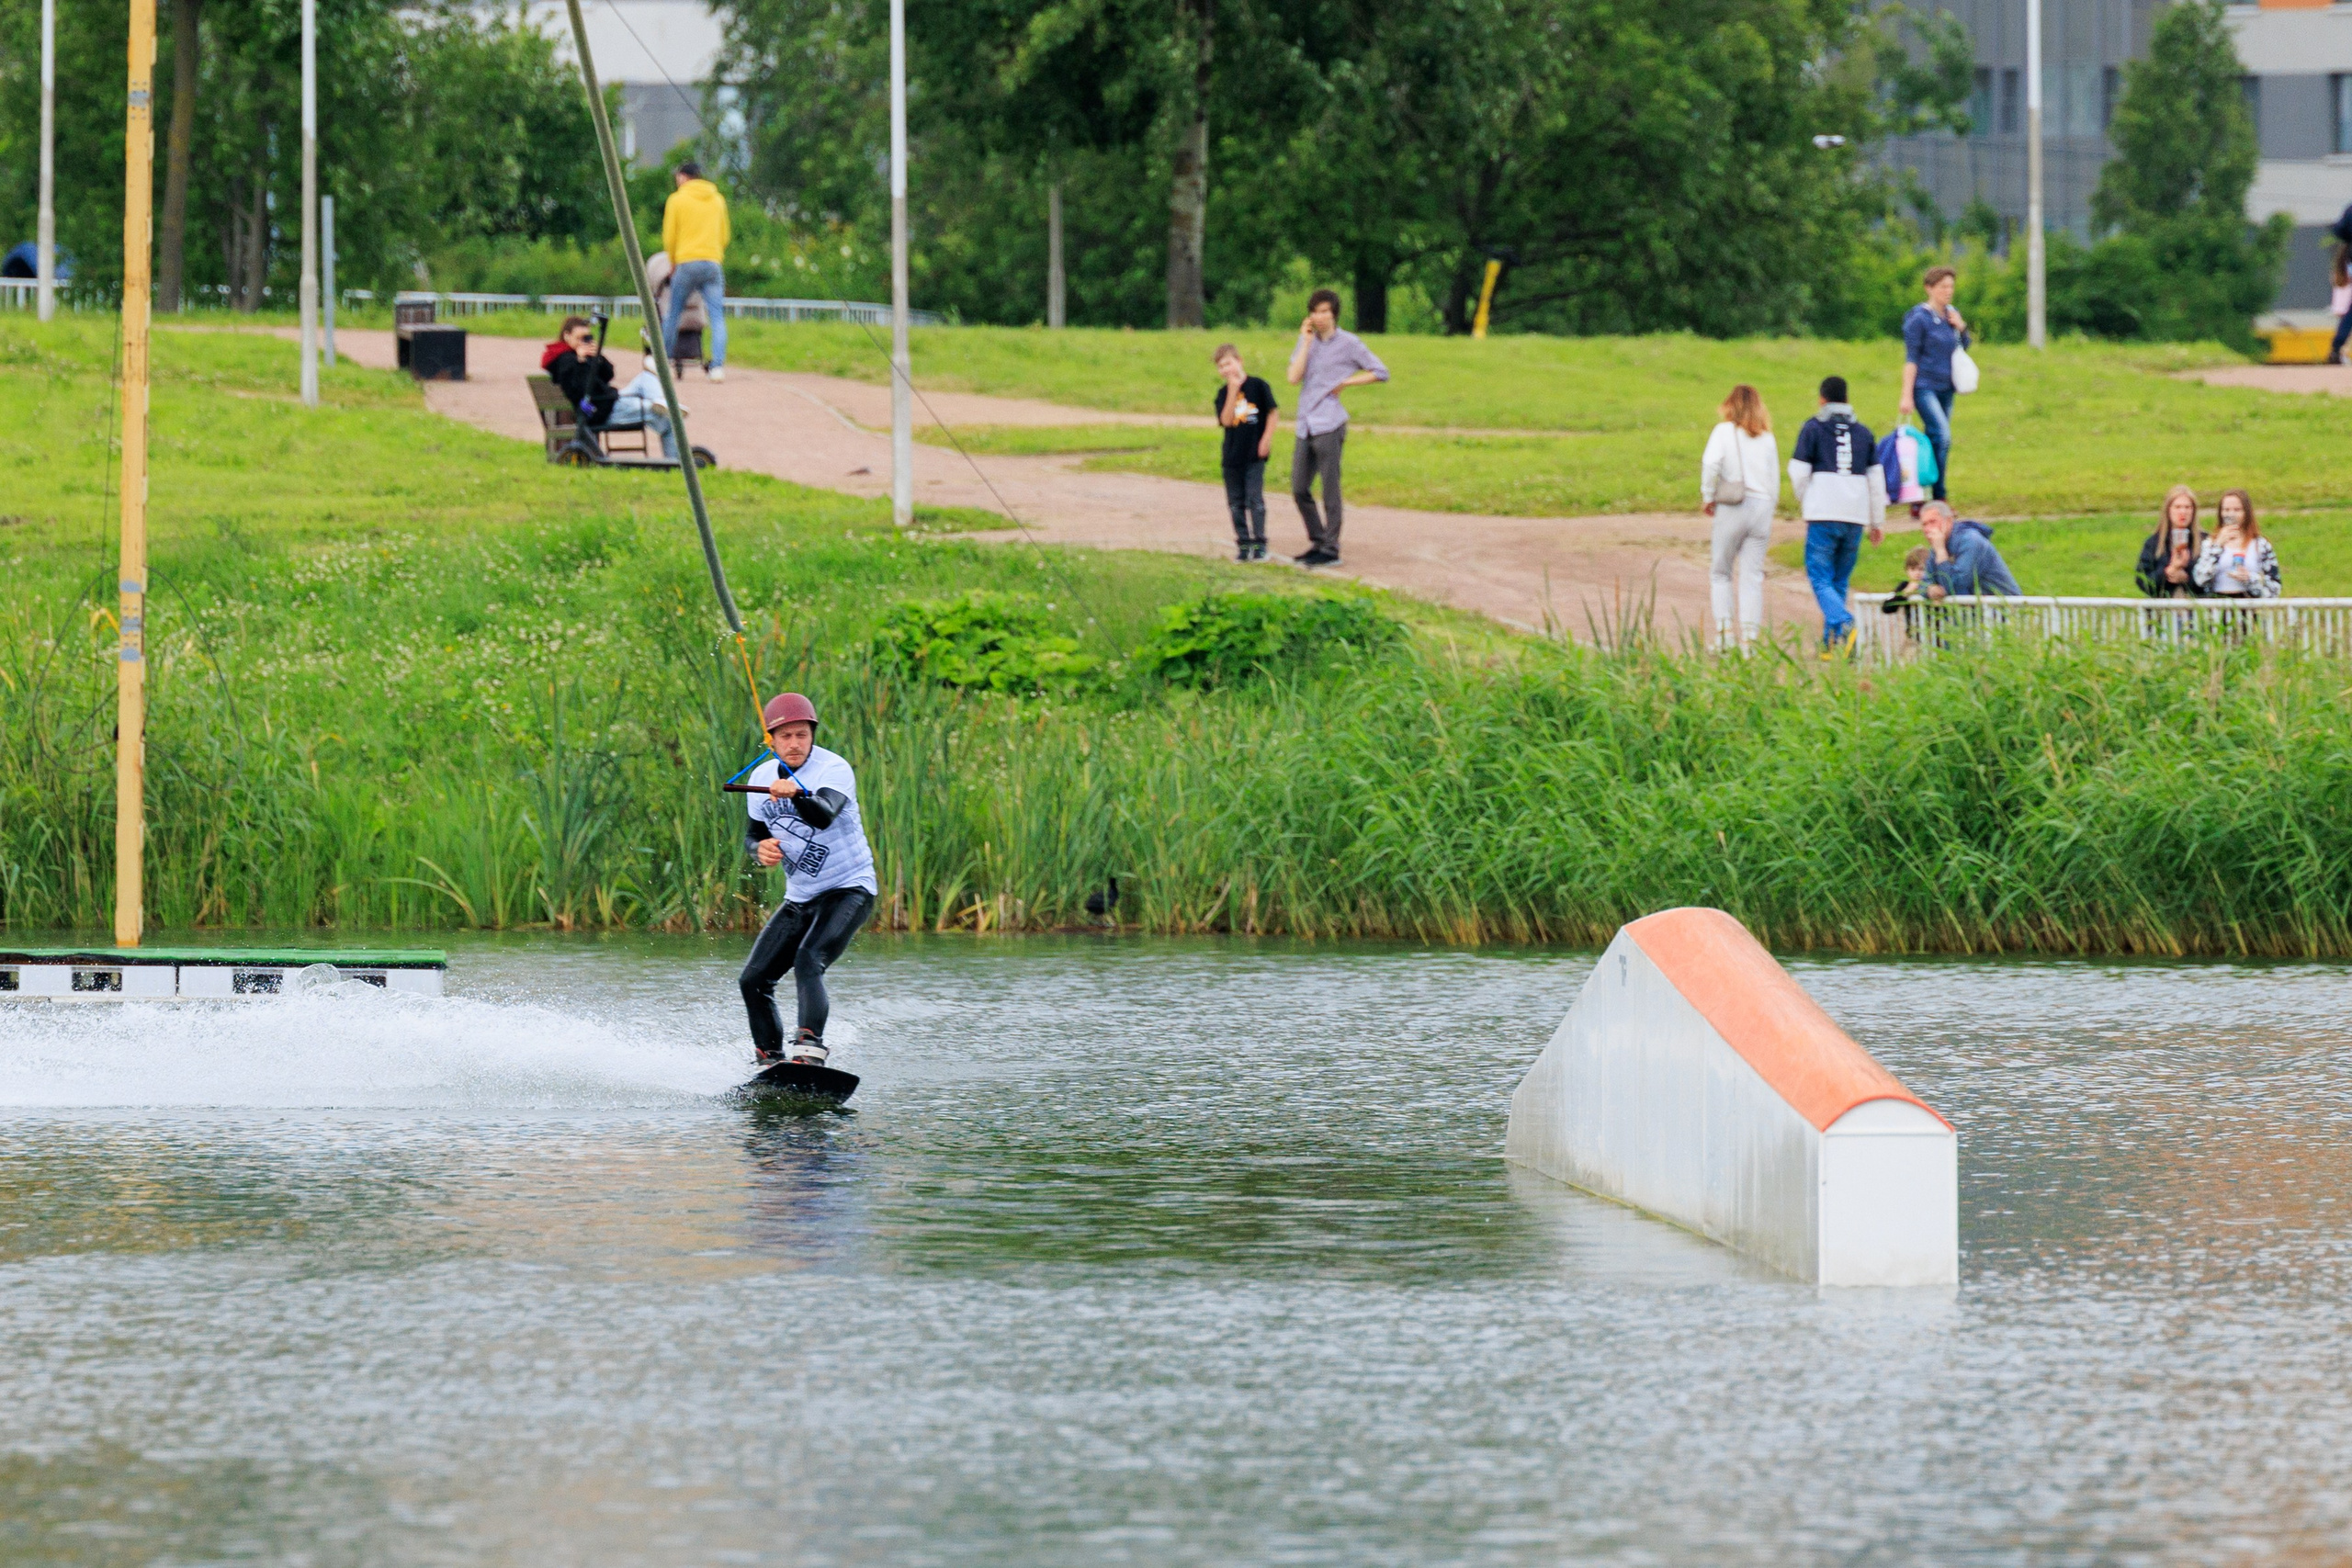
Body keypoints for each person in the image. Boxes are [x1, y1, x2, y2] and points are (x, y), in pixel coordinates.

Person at [740, 693, 878, 1066]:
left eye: (802, 735)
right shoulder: (760, 777)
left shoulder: (833, 769)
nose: (795, 744)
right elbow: (753, 835)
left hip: (850, 888)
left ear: (812, 734)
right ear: (771, 740)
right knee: (753, 979)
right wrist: (760, 850)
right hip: (801, 896)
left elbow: (822, 815)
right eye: (785, 737)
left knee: (807, 958)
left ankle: (809, 1050)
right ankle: (769, 1061)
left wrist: (797, 793)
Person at [1284, 288, 1390, 568]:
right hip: (1305, 423)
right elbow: (1293, 378)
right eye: (1315, 311)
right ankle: (1318, 539)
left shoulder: (1349, 343)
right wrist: (1306, 343)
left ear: (1334, 314)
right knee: (1299, 487)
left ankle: (1331, 548)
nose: (1319, 317)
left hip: (1330, 422)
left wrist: (1347, 383)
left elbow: (1381, 372)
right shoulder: (1306, 341)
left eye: (1324, 311)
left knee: (1330, 488)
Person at [1787, 375, 1885, 657]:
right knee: (1840, 580)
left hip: (1824, 513)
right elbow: (1876, 483)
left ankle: (1845, 623)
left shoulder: (1813, 428)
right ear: (1847, 399)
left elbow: (1798, 472)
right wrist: (1877, 521)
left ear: (1822, 399)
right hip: (1855, 517)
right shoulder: (1864, 433)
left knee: (1819, 576)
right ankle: (1832, 645)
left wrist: (1807, 498)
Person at [1699, 383, 1780, 650]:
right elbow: (1775, 478)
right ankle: (1750, 640)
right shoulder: (1767, 437)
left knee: (1721, 572)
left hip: (1734, 505)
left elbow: (1711, 464)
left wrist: (1708, 496)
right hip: (1762, 508)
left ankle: (1725, 635)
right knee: (1752, 575)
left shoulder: (1723, 432)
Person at [1898, 265, 1970, 510]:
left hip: (1946, 387)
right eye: (1943, 287)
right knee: (1943, 436)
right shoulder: (1918, 318)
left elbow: (1963, 346)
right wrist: (1906, 394)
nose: (1948, 292)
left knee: (1934, 440)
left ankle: (1920, 497)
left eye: (1951, 287)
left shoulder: (1951, 314)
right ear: (1929, 288)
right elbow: (1911, 358)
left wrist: (1961, 326)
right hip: (1924, 386)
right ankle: (1939, 496)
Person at [661, 162, 731, 382]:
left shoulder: (677, 199)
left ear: (683, 177)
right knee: (717, 315)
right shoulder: (717, 199)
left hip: (686, 261)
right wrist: (714, 253)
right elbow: (725, 235)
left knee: (674, 312)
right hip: (712, 262)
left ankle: (666, 361)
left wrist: (672, 261)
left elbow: (670, 236)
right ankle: (717, 367)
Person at [1213, 344, 1279, 561]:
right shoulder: (1223, 394)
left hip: (1254, 454)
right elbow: (1226, 420)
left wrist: (1266, 439)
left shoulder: (1258, 385)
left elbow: (1272, 412)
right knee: (1235, 502)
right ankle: (1243, 542)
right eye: (1221, 366)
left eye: (1229, 363)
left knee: (1254, 499)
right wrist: (1232, 391)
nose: (1226, 369)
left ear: (1239, 361)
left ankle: (1260, 543)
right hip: (1232, 456)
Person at [1917, 501, 2021, 599]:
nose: (1928, 529)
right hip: (1976, 613)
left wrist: (1941, 553)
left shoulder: (1970, 540)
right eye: (1924, 524)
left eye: (1933, 522)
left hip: (2005, 610)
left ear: (1948, 521)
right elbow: (1923, 583)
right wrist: (1930, 590)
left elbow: (1956, 585)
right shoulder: (1938, 545)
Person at [2193, 489, 2281, 599]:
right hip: (2217, 607)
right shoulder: (2209, 544)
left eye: (2237, 510)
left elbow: (2274, 589)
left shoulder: (2260, 545)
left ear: (2246, 513)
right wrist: (2217, 547)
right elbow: (2200, 579)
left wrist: (2250, 579)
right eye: (2226, 510)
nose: (2231, 514)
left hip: (2249, 607)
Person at [543, 314, 617, 426]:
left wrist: (598, 357)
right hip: (595, 410)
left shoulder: (577, 355)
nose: (583, 342)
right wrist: (581, 361)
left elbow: (608, 375)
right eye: (579, 338)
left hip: (602, 403)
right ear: (567, 336)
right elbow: (578, 388)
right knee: (650, 407)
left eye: (587, 338)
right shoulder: (564, 359)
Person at [2135, 486, 2203, 599]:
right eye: (2177, 507)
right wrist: (2169, 572)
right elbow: (2143, 582)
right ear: (2168, 510)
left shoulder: (2205, 542)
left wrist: (2186, 578)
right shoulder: (2154, 543)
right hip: (2161, 610)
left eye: (2188, 507)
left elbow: (2211, 582)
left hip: (2197, 610)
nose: (2183, 512)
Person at [607, 358, 679, 461]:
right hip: (608, 408)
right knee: (669, 419)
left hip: (614, 400)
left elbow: (608, 373)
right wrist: (581, 361)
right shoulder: (577, 363)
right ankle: (674, 462)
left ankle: (660, 401)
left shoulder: (585, 361)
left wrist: (596, 359)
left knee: (645, 377)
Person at [2331, 247, 2352, 367]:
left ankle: (2339, 354)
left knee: (2344, 331)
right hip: (2348, 303)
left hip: (2341, 304)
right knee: (2347, 333)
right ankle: (2342, 355)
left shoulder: (2339, 267)